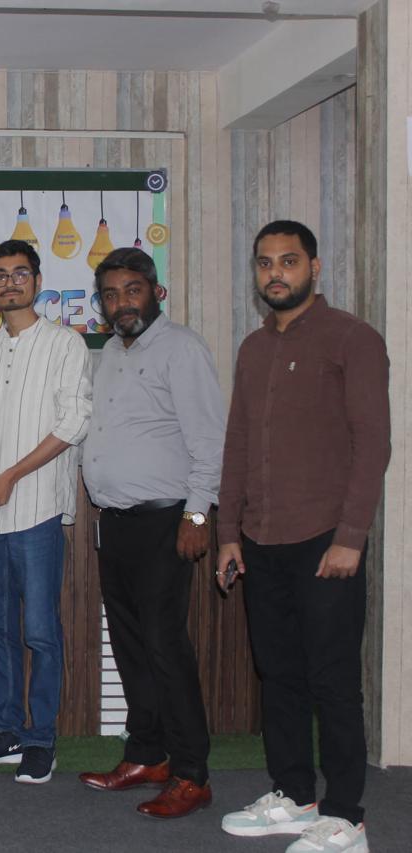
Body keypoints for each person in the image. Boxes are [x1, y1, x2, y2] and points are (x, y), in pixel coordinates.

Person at [217, 221, 389, 852]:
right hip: (261, 540)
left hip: (326, 541)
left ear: (315, 267)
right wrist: (229, 532)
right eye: (264, 264)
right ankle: (293, 795)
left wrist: (352, 536)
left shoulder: (353, 339)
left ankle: (346, 816)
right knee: (279, 674)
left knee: (332, 679)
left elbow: (373, 445)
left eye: (288, 262)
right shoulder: (252, 348)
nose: (275, 274)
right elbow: (236, 444)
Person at [79, 247, 225, 819]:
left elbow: (209, 438)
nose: (121, 303)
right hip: (115, 526)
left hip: (166, 522)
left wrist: (196, 515)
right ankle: (147, 755)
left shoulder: (182, 348)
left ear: (155, 292)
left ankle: (192, 773)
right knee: (130, 646)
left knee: (166, 649)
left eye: (131, 291)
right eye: (111, 295)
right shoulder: (111, 352)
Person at [0, 240, 91, 784]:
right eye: (0, 276)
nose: (9, 283)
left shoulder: (64, 344)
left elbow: (73, 421)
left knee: (39, 631)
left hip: (34, 509)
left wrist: (11, 476)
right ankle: (6, 730)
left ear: (37, 281)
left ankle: (40, 740)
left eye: (19, 274)